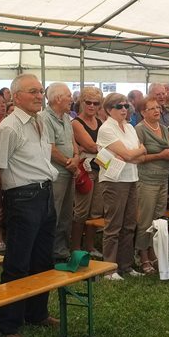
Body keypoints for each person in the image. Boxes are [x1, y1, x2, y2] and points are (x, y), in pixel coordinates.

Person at [0, 74, 60, 337]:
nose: (39, 95)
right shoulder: (9, 128)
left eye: (41, 90)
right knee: (17, 263)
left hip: (44, 193)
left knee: (43, 259)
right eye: (33, 91)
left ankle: (37, 313)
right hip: (22, 196)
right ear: (16, 97)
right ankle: (7, 325)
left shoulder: (41, 120)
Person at [97, 92, 146, 280]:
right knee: (114, 225)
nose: (124, 110)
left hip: (132, 177)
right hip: (114, 180)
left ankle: (125, 265)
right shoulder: (106, 129)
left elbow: (138, 156)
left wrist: (135, 153)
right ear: (109, 110)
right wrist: (137, 152)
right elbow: (128, 155)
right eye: (119, 106)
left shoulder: (130, 127)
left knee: (129, 225)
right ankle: (109, 268)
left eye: (126, 106)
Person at [135, 96, 169, 274]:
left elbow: (168, 150)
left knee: (158, 218)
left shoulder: (164, 129)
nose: (156, 111)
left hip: (162, 178)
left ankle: (153, 251)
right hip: (146, 180)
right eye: (151, 108)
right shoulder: (139, 130)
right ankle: (142, 255)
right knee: (145, 219)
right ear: (143, 112)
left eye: (158, 108)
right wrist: (161, 155)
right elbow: (139, 157)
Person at [43, 83, 79, 262]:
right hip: (56, 174)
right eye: (68, 95)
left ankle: (61, 251)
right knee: (54, 214)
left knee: (66, 214)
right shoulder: (44, 118)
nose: (71, 99)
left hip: (69, 171)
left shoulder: (66, 117)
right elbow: (50, 148)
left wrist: (77, 158)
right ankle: (48, 253)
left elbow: (73, 143)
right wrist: (69, 163)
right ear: (57, 99)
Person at [70, 86, 104, 257]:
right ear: (81, 102)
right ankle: (75, 247)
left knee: (96, 210)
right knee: (82, 210)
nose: (91, 106)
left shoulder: (100, 122)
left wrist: (96, 147)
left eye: (95, 103)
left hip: (100, 168)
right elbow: (92, 145)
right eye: (88, 102)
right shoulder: (76, 123)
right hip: (85, 171)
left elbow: (98, 145)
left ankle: (89, 246)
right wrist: (101, 147)